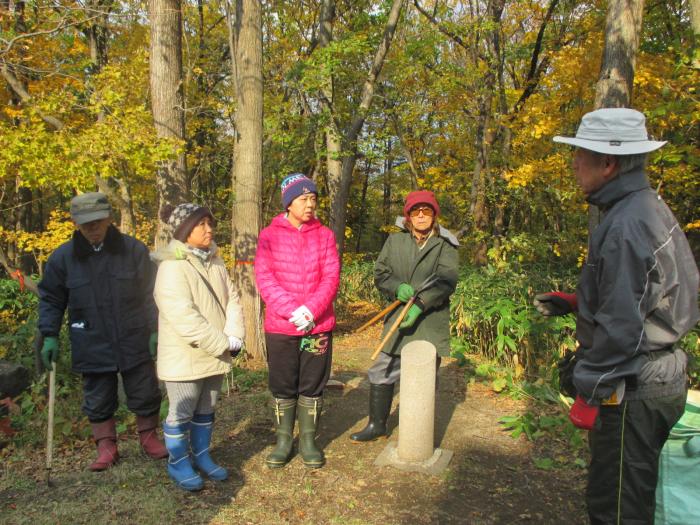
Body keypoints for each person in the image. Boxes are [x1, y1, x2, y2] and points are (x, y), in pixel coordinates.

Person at [534, 108, 699, 524]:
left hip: (634, 387)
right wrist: (577, 302)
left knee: (617, 508)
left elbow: (622, 330)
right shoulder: (643, 207)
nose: (574, 163)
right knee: (629, 497)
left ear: (607, 163)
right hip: (654, 376)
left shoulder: (628, 223)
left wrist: (589, 390)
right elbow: (648, 295)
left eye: (580, 154)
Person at [38, 192, 167, 471]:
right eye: (85, 224)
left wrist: (156, 328)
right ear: (75, 224)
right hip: (90, 336)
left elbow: (151, 294)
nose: (92, 228)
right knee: (97, 394)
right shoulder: (62, 258)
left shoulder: (133, 250)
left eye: (97, 222)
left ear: (109, 218)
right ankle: (106, 446)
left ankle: (149, 437)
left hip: (133, 334)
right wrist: (49, 335)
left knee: (144, 387)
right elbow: (50, 298)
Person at [350, 189, 458, 443]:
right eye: (416, 211)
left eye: (427, 211)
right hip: (397, 315)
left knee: (424, 374)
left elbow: (446, 280)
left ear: (434, 215)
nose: (421, 216)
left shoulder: (446, 245)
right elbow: (381, 272)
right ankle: (377, 425)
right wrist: (396, 287)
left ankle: (419, 432)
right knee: (382, 367)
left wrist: (421, 303)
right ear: (408, 216)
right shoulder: (394, 241)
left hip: (429, 321)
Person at [152, 203, 245, 491]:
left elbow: (233, 299)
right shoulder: (171, 268)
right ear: (184, 231)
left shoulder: (215, 262)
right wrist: (223, 343)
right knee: (182, 411)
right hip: (185, 356)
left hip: (215, 353)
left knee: (207, 407)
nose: (209, 229)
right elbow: (184, 317)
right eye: (201, 224)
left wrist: (235, 335)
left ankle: (202, 455)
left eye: (209, 223)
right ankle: (178, 461)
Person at [254, 173, 340, 469]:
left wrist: (311, 312)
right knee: (283, 383)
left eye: (313, 198)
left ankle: (307, 440)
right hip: (281, 325)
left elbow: (331, 277)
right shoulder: (269, 235)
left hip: (317, 325)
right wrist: (292, 311)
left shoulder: (325, 235)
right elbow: (265, 278)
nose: (310, 204)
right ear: (289, 203)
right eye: (304, 199)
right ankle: (282, 440)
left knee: (312, 383)